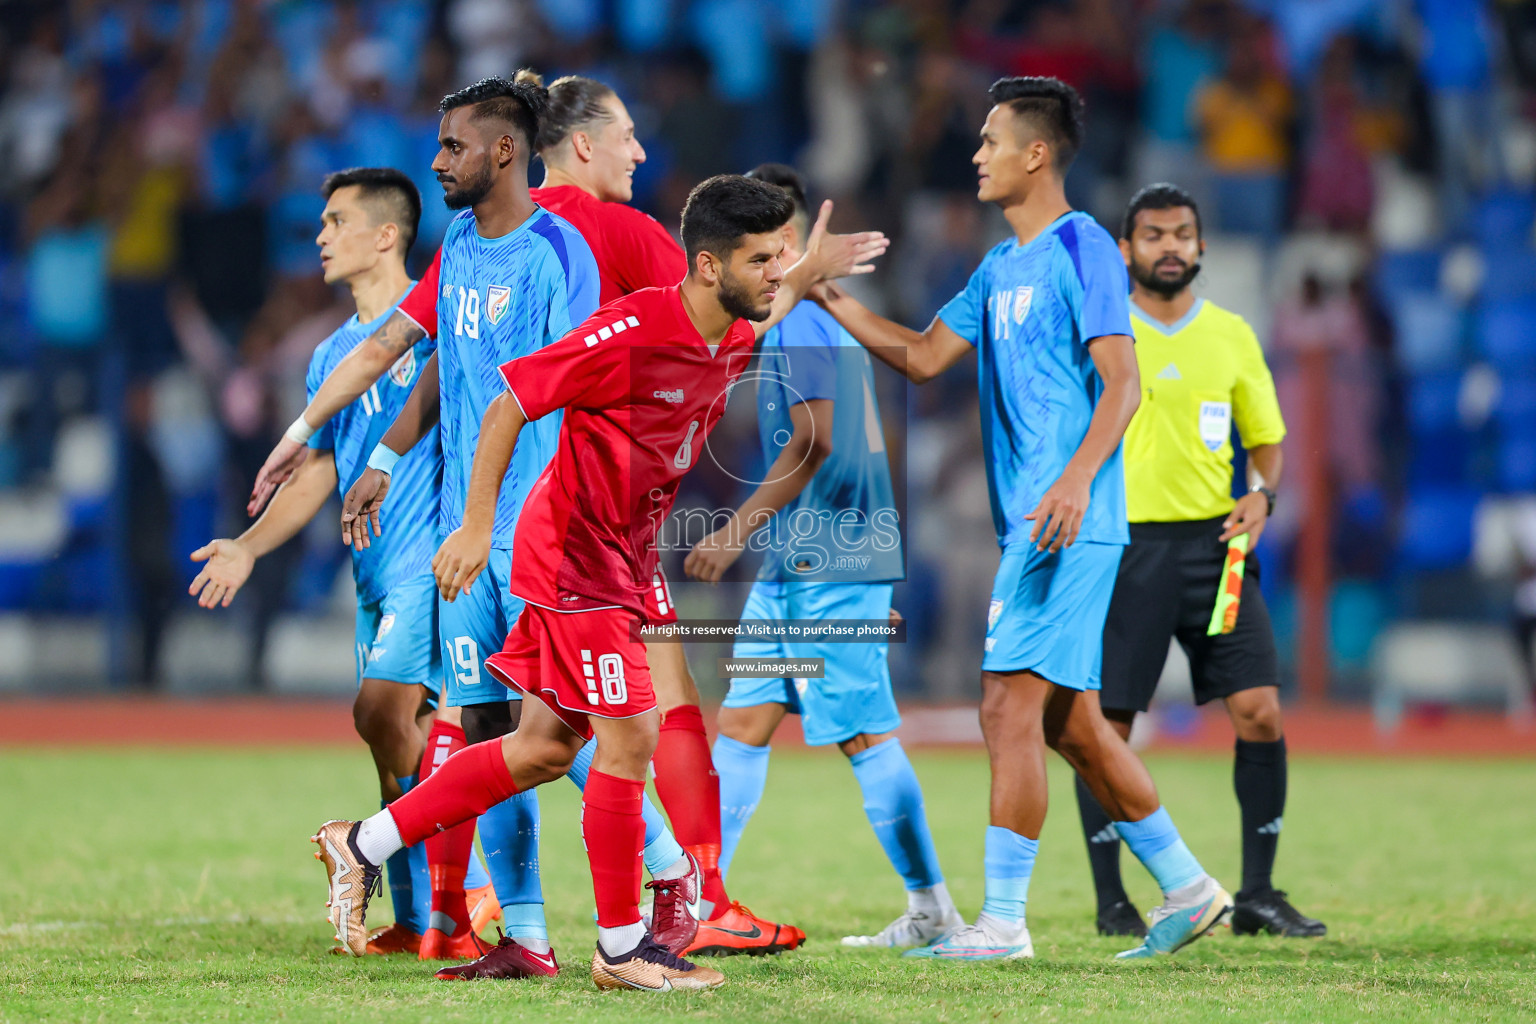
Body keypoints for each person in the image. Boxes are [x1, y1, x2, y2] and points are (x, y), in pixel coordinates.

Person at [307, 174, 888, 991]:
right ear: (710, 266)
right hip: (575, 554)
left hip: (619, 553)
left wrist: (803, 265)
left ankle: (359, 844)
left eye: (779, 258)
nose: (776, 273)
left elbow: (775, 297)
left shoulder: (732, 324)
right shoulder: (635, 329)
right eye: (762, 259)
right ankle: (622, 950)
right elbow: (512, 399)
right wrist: (476, 528)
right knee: (630, 739)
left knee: (544, 747)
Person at [810, 76, 1232, 961]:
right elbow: (924, 357)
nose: (976, 154)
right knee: (1065, 722)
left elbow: (1124, 381)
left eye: (991, 140)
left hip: (1069, 519)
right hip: (1039, 524)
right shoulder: (1001, 267)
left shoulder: (1083, 247)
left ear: (1035, 154)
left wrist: (1077, 482)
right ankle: (1191, 890)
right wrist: (824, 297)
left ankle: (1002, 924)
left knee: (1004, 708)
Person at [383, 74, 799, 954]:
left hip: (572, 529)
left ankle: (395, 860)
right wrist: (465, 513)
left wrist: (386, 458)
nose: (640, 154)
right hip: (569, 534)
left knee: (529, 737)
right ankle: (654, 923)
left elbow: (423, 348)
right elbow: (544, 378)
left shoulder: (478, 236)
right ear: (578, 143)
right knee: (638, 723)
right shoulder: (617, 243)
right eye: (627, 136)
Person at [186, 167, 498, 956]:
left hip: (429, 563)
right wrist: (250, 545)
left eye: (334, 222)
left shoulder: (436, 325)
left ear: (385, 235)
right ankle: (426, 914)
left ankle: (463, 893)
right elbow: (321, 469)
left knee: (383, 712)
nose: (319, 236)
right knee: (395, 737)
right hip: (371, 575)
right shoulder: (330, 354)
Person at [684, 163, 959, 950]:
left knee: (862, 733)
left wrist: (734, 530)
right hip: (802, 560)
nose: (764, 264)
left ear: (798, 243)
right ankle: (704, 907)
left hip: (830, 557)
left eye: (775, 247)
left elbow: (817, 439)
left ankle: (934, 909)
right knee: (739, 725)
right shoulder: (790, 316)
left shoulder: (802, 321)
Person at [1072, 182, 1325, 939]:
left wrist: (1263, 495)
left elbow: (1267, 438)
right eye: (1153, 235)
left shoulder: (1233, 335)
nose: (1170, 246)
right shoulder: (1104, 334)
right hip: (1127, 550)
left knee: (1260, 710)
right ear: (1126, 250)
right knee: (1106, 729)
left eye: (1183, 233)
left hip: (1219, 548)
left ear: (1202, 245)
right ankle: (1111, 901)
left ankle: (1257, 894)